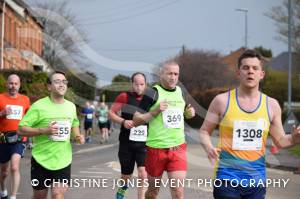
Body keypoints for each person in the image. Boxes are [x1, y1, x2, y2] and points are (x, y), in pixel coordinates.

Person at [199, 49, 300, 199]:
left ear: (261, 74)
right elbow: (204, 131)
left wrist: (294, 139)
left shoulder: (271, 105)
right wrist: (209, 148)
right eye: (245, 68)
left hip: (256, 180)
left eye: (255, 68)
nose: (250, 72)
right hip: (227, 178)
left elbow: (280, 141)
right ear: (238, 73)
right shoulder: (221, 101)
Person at [17, 71, 84, 199]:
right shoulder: (38, 106)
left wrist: (77, 136)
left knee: (58, 195)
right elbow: (20, 129)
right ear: (49, 87)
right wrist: (42, 130)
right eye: (57, 81)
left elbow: (74, 122)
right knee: (39, 196)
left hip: (63, 160)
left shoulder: (70, 107)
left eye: (64, 82)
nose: (62, 85)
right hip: (41, 160)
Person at [133, 61, 195, 199]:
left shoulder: (181, 92)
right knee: (153, 191)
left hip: (177, 148)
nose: (173, 77)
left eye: (176, 74)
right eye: (169, 73)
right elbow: (136, 121)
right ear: (161, 74)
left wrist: (189, 113)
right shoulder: (152, 93)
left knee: (178, 191)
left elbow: (185, 112)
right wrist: (155, 112)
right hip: (156, 149)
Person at [109, 72, 148, 199]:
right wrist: (123, 121)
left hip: (144, 143)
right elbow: (111, 113)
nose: (139, 87)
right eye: (136, 84)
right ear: (132, 84)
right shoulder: (124, 96)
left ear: (145, 85)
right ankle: (120, 194)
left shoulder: (150, 99)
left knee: (143, 174)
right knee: (126, 176)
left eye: (142, 84)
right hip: (127, 143)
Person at [0, 74, 30, 199]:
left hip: (19, 138)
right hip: (3, 139)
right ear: (7, 84)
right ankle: (3, 189)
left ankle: (13, 197)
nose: (13, 86)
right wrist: (1, 113)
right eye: (11, 83)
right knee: (4, 172)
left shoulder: (25, 100)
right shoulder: (0, 98)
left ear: (19, 85)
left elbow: (30, 118)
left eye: (16, 84)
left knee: (14, 166)